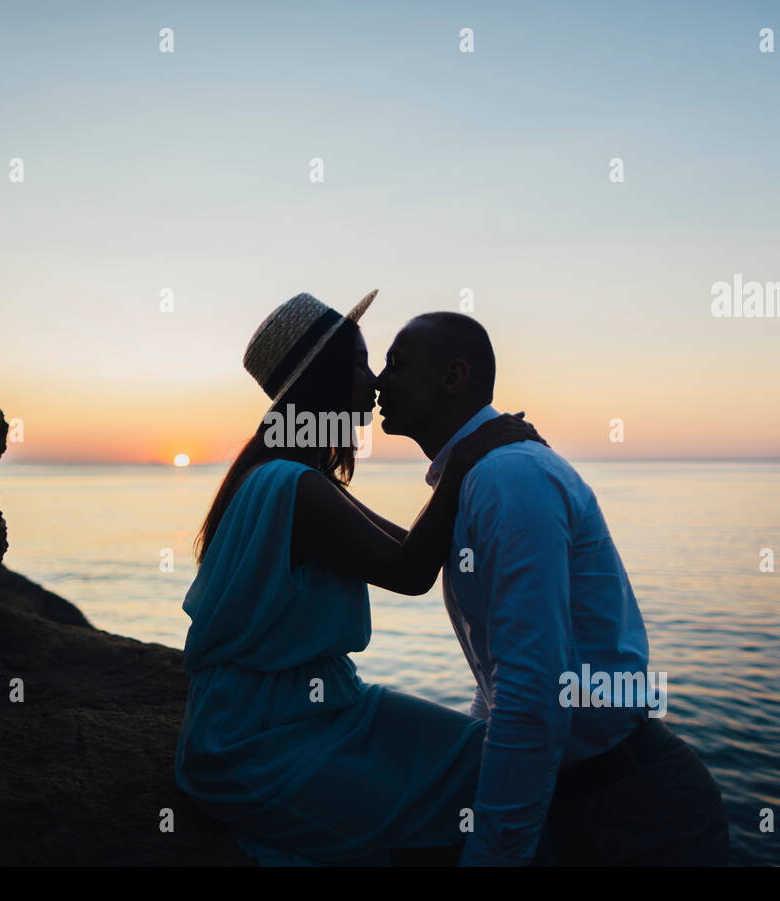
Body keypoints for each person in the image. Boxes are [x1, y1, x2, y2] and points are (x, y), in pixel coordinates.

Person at [174, 290, 542, 865]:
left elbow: (408, 543)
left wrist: (477, 476)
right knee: (462, 790)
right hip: (259, 737)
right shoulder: (293, 487)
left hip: (317, 709)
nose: (373, 382)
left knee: (486, 758)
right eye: (359, 363)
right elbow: (411, 571)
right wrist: (469, 456)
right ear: (321, 382)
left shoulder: (297, 479)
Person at [373, 310, 730, 866]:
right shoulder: (483, 476)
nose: (379, 379)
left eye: (396, 363)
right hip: (585, 800)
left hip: (637, 817)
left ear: (453, 377)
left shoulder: (507, 479)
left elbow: (533, 686)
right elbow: (501, 677)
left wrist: (490, 856)